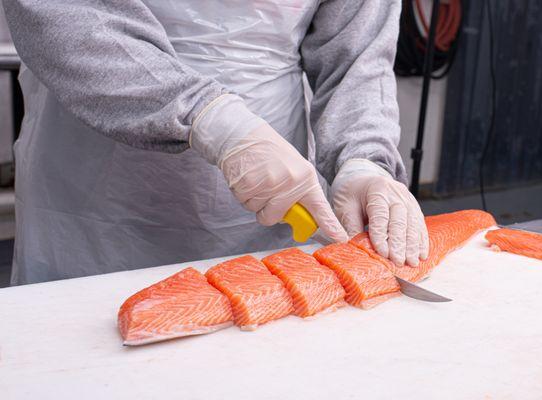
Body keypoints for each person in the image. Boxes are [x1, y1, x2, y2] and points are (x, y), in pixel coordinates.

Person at [3, 0, 429, 285]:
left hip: (272, 184)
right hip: (96, 185)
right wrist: (211, 120)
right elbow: (61, 12)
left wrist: (363, 159)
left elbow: (358, 52)